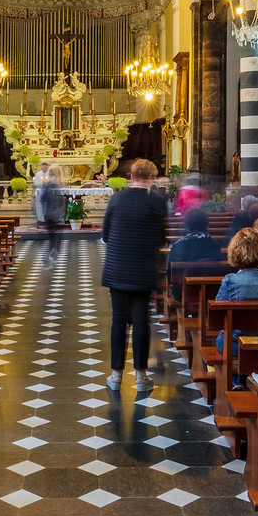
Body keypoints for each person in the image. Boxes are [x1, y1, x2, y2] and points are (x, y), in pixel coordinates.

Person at [101, 158, 169, 394]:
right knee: (141, 321)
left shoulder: (116, 198)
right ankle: (141, 377)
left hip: (117, 268)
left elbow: (105, 235)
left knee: (118, 321)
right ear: (151, 177)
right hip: (142, 269)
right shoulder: (157, 201)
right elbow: (162, 238)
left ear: (131, 176)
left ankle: (116, 376)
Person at [168, 204, 224, 289]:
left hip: (183, 290)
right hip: (211, 290)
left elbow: (170, 276)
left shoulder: (178, 246)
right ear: (206, 224)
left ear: (187, 225)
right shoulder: (215, 245)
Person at [36, 163, 67, 258]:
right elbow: (60, 201)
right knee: (56, 232)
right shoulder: (57, 186)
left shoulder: (47, 185)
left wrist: (45, 207)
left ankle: (51, 249)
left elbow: (42, 199)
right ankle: (55, 249)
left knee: (51, 233)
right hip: (55, 214)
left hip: (48, 213)